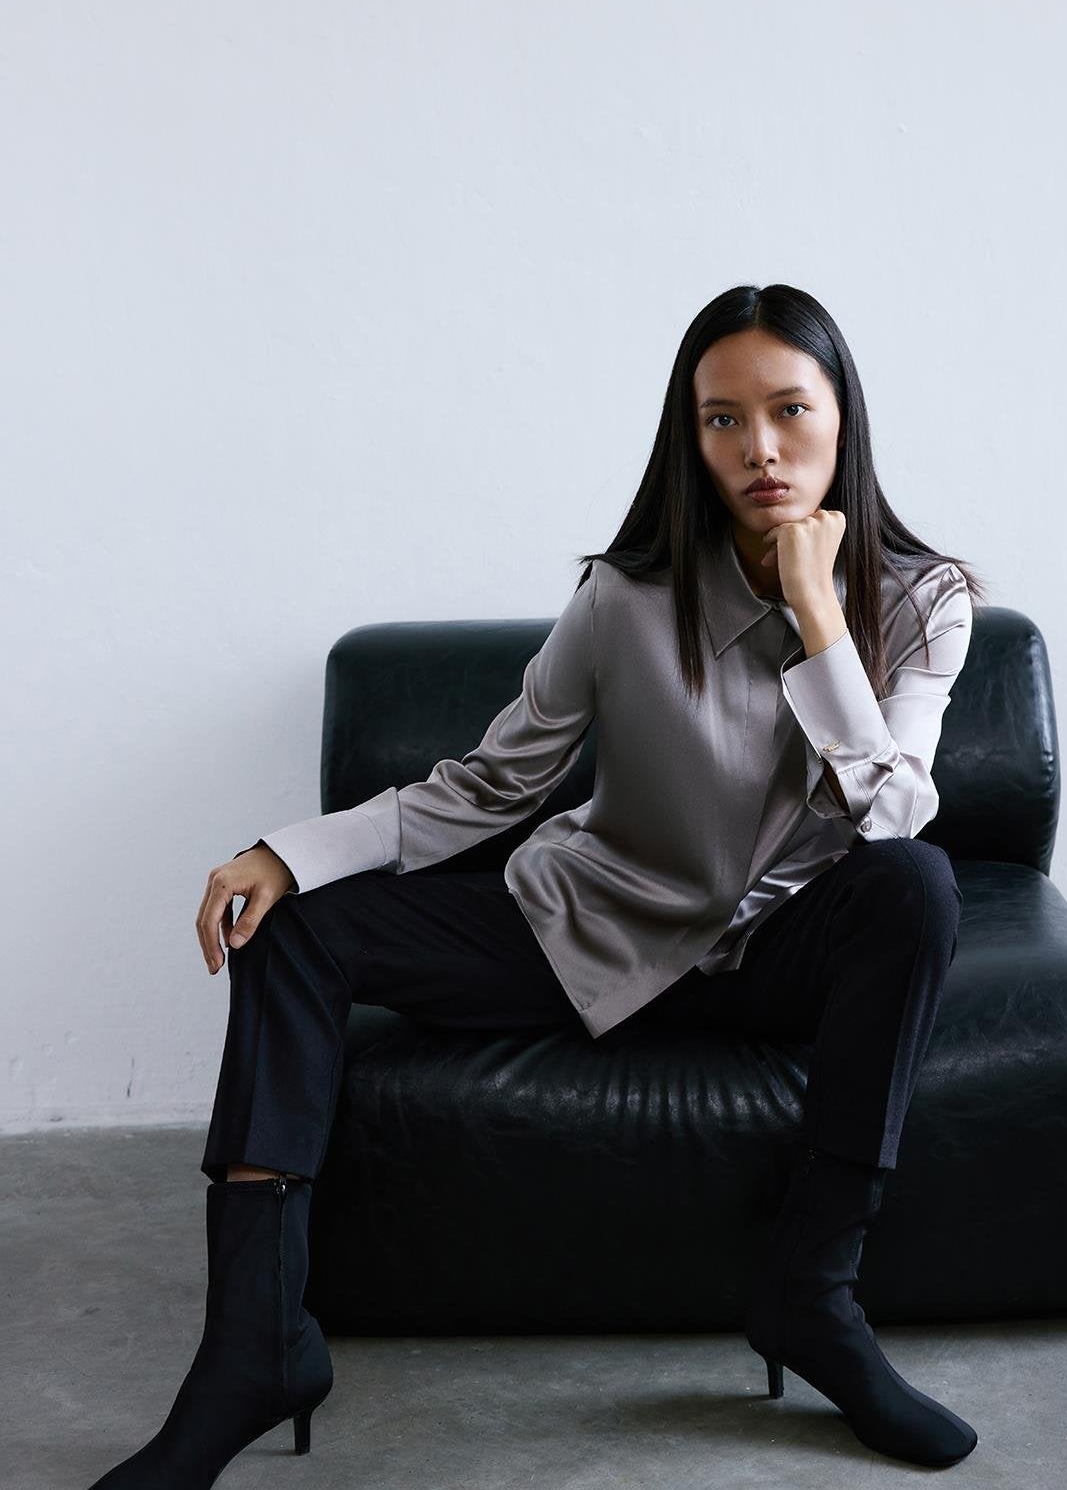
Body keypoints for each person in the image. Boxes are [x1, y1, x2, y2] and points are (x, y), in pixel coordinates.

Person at [85, 283, 986, 1486]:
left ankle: (812, 1299)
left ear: (843, 417)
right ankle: (256, 1347)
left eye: (789, 410)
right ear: (690, 438)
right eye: (723, 420)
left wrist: (820, 610)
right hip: (590, 928)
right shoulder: (624, 598)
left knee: (916, 887)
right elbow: (490, 784)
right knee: (293, 930)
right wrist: (288, 854)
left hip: (772, 954)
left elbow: (893, 814)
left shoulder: (925, 600)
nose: (761, 449)